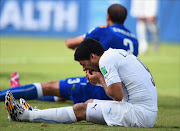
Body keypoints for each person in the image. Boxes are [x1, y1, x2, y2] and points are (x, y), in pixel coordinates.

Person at [0, 4, 138, 103]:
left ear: (107, 16)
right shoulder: (134, 39)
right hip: (123, 90)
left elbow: (70, 44)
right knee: (63, 93)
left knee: (49, 86)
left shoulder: (102, 31)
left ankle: (12, 92)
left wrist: (89, 35)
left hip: (103, 87)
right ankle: (19, 93)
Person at [5, 38, 157, 128]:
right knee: (89, 103)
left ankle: (24, 115)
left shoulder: (106, 60)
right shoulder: (113, 54)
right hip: (143, 110)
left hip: (140, 114)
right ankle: (35, 113)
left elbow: (117, 95)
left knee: (80, 109)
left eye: (83, 64)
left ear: (93, 56)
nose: (84, 69)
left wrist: (100, 79)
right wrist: (99, 81)